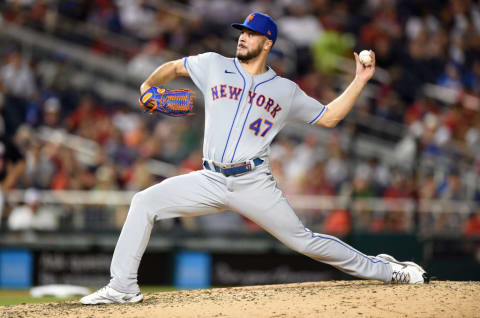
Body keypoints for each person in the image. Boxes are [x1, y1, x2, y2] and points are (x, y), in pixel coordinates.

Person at [81, 12, 429, 305]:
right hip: (210, 179)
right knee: (144, 201)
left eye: (252, 34)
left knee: (304, 241)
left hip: (253, 182)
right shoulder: (213, 64)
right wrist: (147, 87)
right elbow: (173, 67)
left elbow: (329, 116)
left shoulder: (285, 91)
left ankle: (389, 270)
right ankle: (122, 286)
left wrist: (359, 80)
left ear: (268, 43)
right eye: (242, 32)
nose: (243, 37)